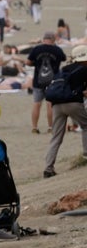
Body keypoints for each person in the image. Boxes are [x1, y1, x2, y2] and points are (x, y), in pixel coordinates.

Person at [43, 45, 87, 178]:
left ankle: (48, 168)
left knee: (56, 136)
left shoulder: (64, 70)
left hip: (56, 105)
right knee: (86, 126)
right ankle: (86, 154)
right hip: (73, 103)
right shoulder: (85, 69)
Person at [28, 31, 66, 135]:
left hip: (38, 81)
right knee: (50, 104)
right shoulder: (57, 50)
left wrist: (36, 63)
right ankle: (50, 127)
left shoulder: (36, 49)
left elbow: (28, 62)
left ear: (44, 39)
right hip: (53, 81)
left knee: (36, 103)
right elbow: (64, 58)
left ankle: (35, 127)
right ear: (53, 40)